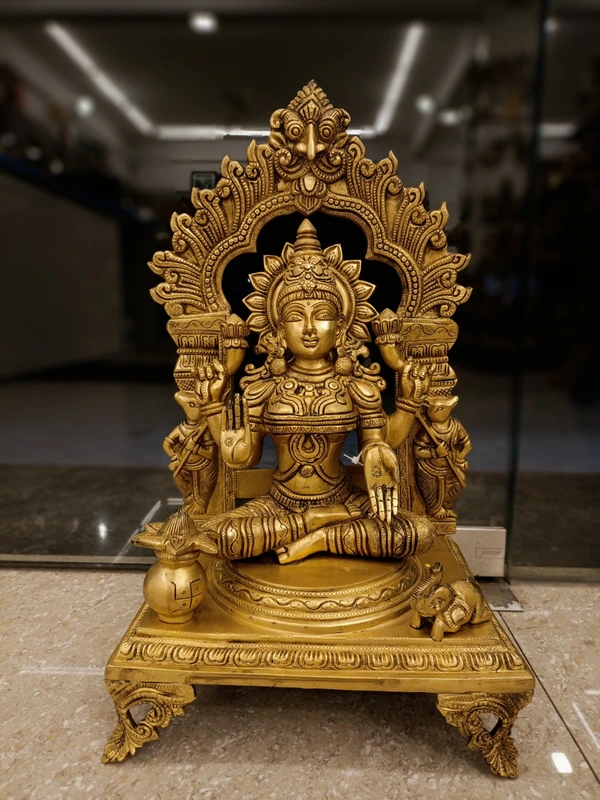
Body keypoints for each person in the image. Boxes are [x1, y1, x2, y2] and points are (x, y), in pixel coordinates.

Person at [193, 219, 436, 562]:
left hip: (344, 500)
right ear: (279, 329)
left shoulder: (357, 388)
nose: (309, 328)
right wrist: (218, 418)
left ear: (341, 327)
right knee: (218, 536)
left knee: (419, 533)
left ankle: (321, 538)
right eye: (296, 316)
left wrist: (392, 432)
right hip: (279, 503)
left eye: (322, 315)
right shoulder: (263, 390)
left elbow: (378, 443)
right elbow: (244, 459)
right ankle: (314, 523)